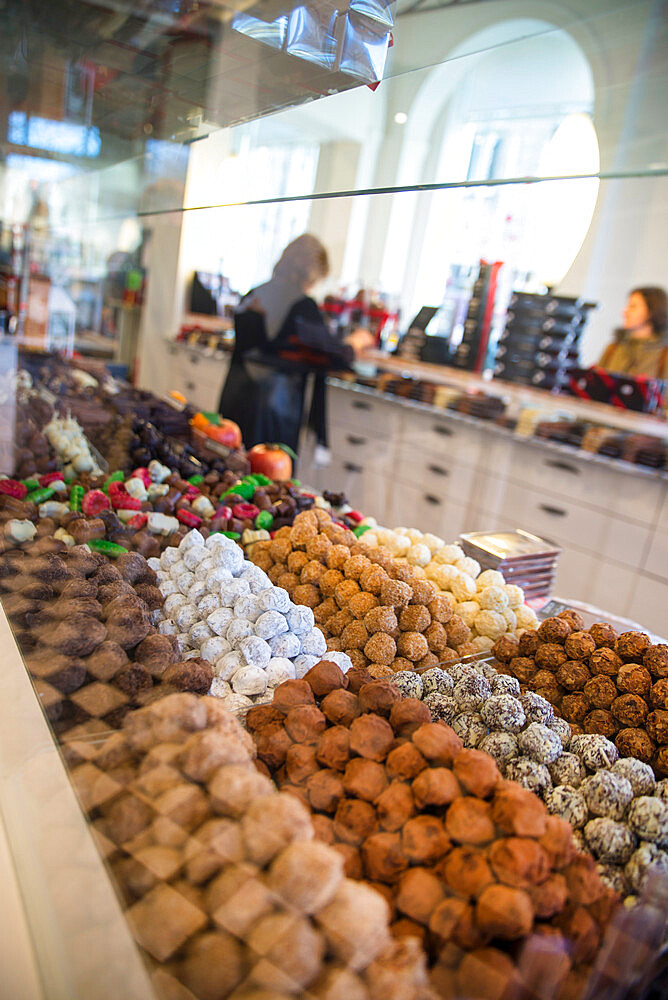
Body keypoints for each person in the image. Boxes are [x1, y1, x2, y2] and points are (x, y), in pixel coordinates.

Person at [218, 234, 374, 453]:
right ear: (313, 272)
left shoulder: (253, 294)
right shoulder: (301, 305)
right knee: (268, 480)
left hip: (234, 400)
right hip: (272, 411)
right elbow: (332, 355)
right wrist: (356, 341)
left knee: (228, 468)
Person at [598, 286, 668, 379]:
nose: (625, 312)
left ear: (652, 311)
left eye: (633, 306)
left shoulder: (664, 354)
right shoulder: (613, 348)